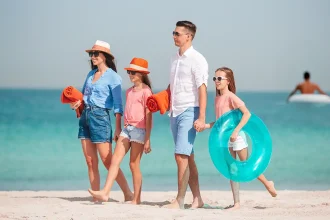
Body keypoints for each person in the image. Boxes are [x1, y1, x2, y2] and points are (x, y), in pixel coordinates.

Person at [203, 67, 277, 210]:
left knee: (247, 165)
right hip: (225, 141)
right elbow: (220, 123)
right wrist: (205, 125)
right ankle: (236, 203)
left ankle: (268, 184)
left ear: (228, 81)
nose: (216, 81)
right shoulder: (217, 98)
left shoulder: (231, 97)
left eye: (219, 78)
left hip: (237, 139)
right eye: (214, 78)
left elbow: (247, 114)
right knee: (232, 170)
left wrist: (236, 131)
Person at [70, 40, 133, 202]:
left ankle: (127, 193)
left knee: (107, 161)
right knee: (90, 161)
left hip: (101, 118)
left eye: (96, 54)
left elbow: (118, 106)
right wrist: (78, 103)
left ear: (105, 56)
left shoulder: (114, 77)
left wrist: (118, 129)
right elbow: (84, 95)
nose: (92, 57)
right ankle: (96, 196)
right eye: (91, 54)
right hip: (85, 117)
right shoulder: (91, 75)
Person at [88, 57, 153, 205]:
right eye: (129, 72)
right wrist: (118, 128)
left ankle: (136, 199)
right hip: (126, 129)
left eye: (133, 72)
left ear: (141, 74)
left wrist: (148, 139)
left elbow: (149, 117)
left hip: (139, 131)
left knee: (133, 165)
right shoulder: (129, 91)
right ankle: (105, 192)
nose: (130, 75)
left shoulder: (146, 92)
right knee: (114, 161)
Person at [164, 20, 208, 209]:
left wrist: (202, 117)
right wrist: (164, 100)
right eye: (173, 33)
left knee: (180, 155)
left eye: (177, 33)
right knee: (187, 156)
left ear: (188, 36)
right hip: (174, 111)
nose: (174, 36)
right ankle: (197, 199)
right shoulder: (174, 58)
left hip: (190, 110)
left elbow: (202, 89)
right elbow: (173, 85)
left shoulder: (197, 59)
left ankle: (179, 200)